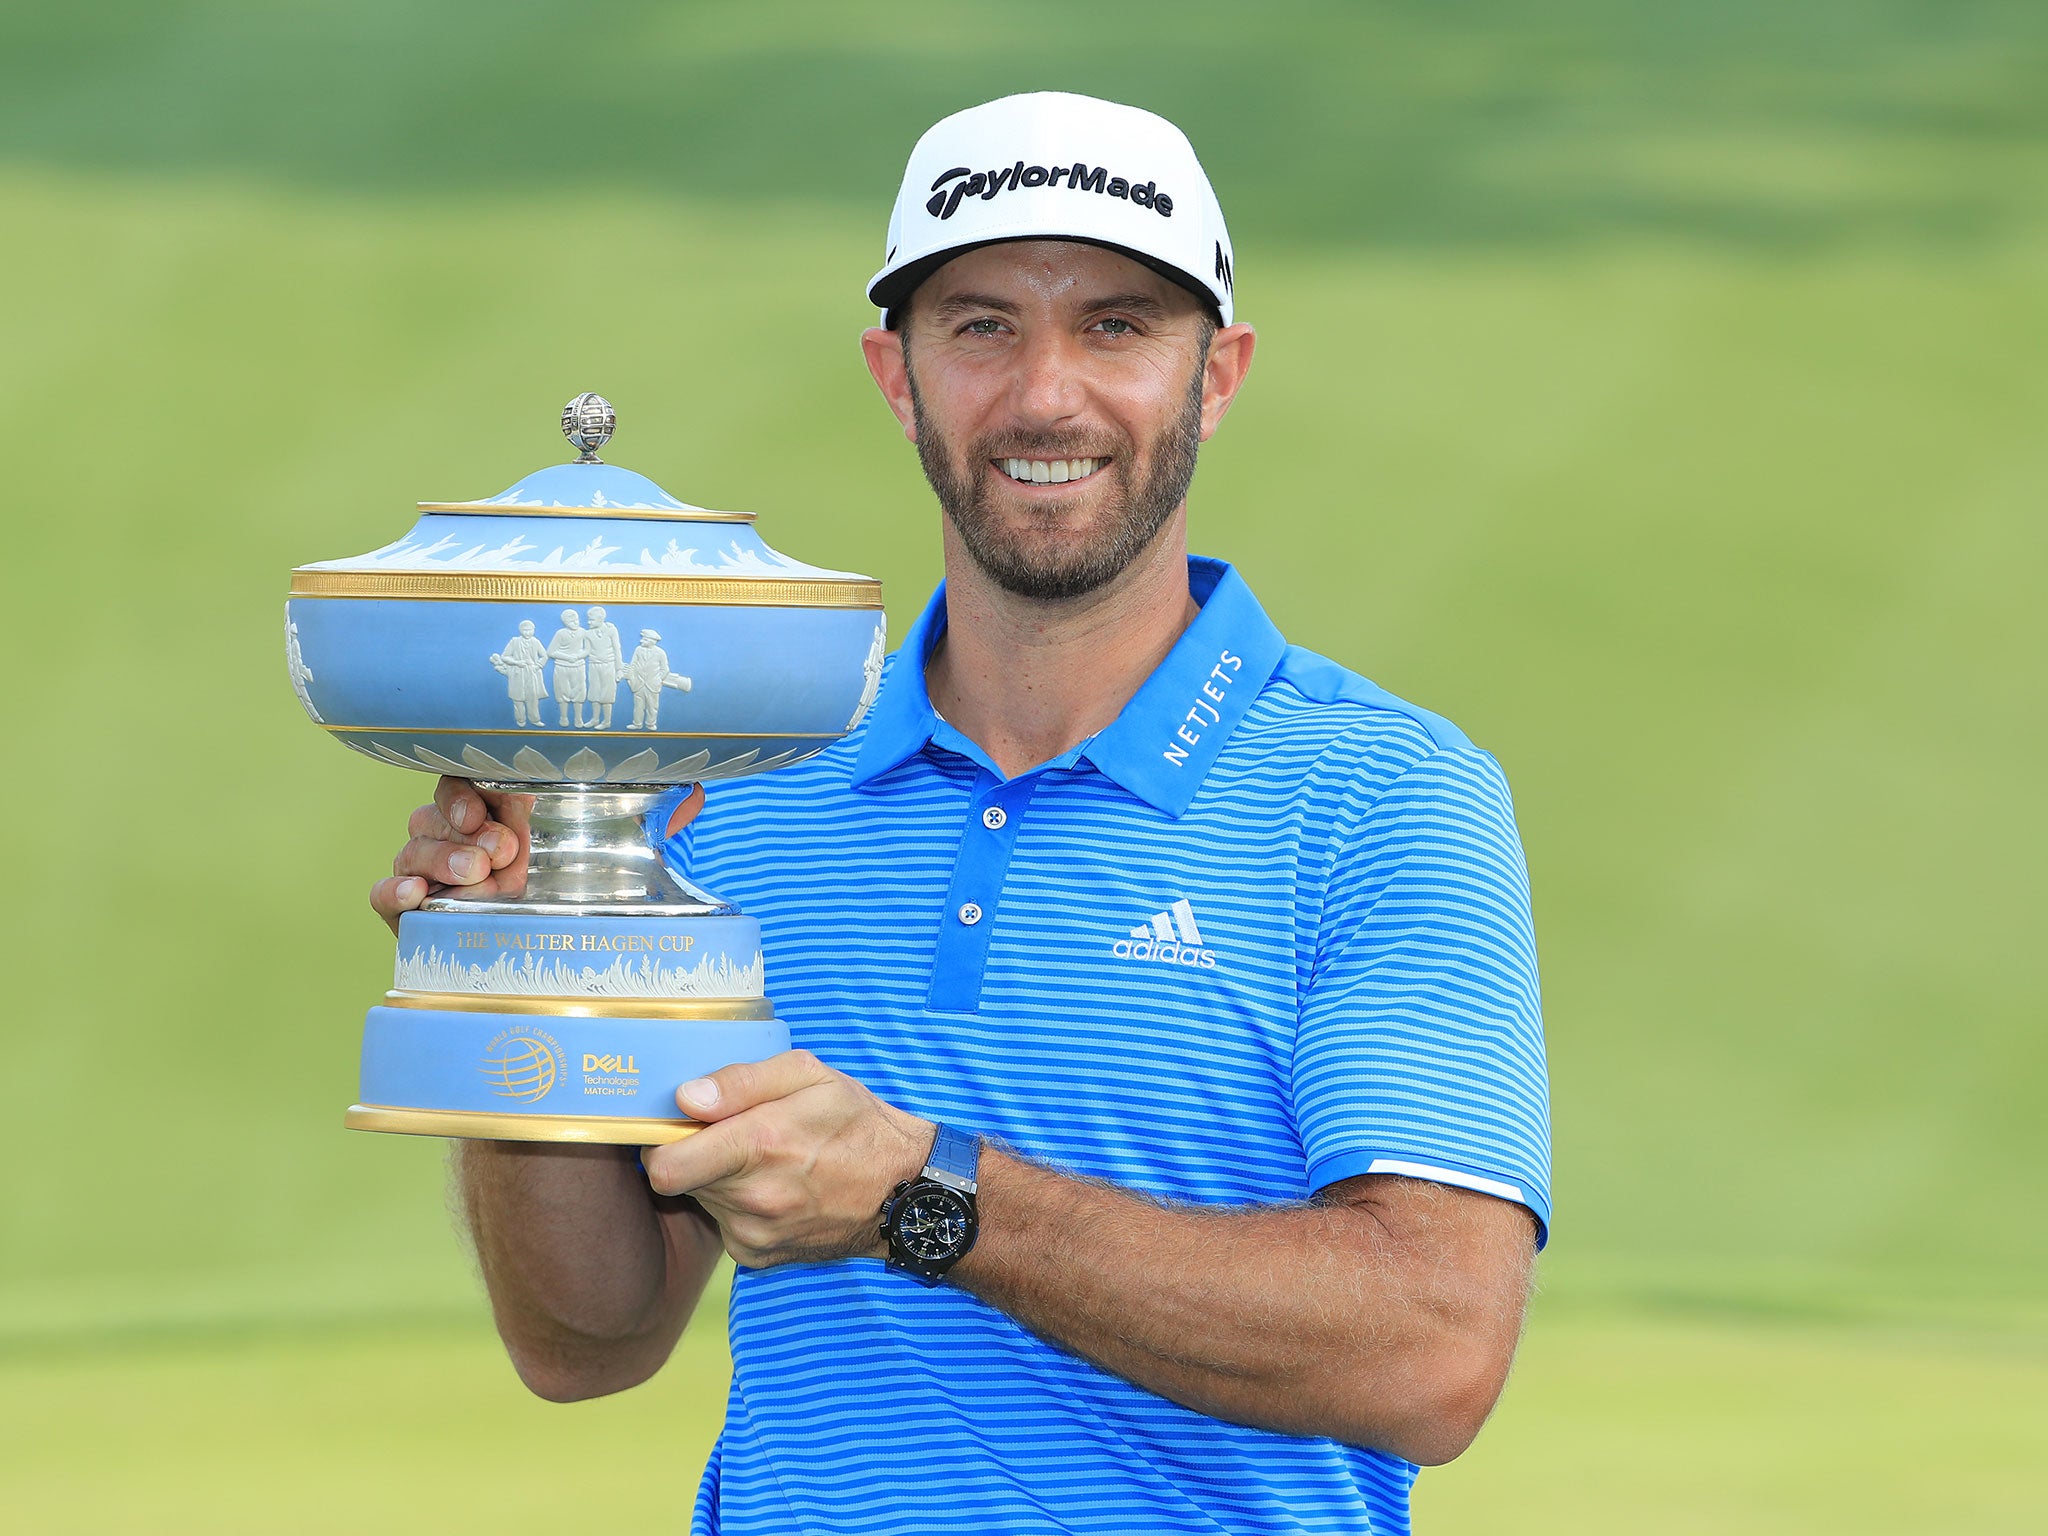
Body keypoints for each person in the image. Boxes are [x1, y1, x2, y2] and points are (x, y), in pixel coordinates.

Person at [374, 91, 1551, 1536]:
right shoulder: (733, 781)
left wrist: (923, 1192)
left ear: (1218, 372)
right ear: (897, 372)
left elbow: (1432, 1351)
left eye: (1117, 326)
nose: (1046, 394)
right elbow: (588, 1341)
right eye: (982, 325)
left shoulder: (1384, 797)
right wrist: (521, 970)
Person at [627, 628, 691, 730]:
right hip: (639, 684)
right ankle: (637, 724)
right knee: (638, 706)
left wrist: (658, 680)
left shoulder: (660, 652)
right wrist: (632, 679)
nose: (641, 641)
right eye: (642, 639)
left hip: (652, 685)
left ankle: (650, 724)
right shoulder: (638, 650)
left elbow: (665, 669)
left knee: (652, 707)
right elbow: (633, 665)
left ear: (652, 641)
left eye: (645, 639)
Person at [489, 618, 549, 727]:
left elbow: (544, 656)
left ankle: (535, 719)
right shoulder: (514, 641)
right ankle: (520, 720)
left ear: (533, 630)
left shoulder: (535, 642)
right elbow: (504, 657)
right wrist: (517, 662)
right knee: (517, 699)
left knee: (532, 698)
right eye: (525, 630)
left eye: (530, 630)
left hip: (532, 673)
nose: (528, 632)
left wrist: (537, 666)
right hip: (517, 673)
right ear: (520, 630)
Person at [544, 608, 589, 728]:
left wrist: (578, 656)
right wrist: (567, 657)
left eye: (577, 620)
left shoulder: (583, 632)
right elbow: (551, 651)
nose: (575, 622)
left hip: (578, 666)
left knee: (579, 692)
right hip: (562, 667)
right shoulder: (560, 633)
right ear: (565, 623)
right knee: (562, 692)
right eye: (571, 621)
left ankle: (578, 718)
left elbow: (588, 650)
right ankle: (563, 717)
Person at [585, 605, 626, 729]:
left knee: (607, 694)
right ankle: (595, 719)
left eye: (591, 619)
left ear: (601, 619)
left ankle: (607, 721)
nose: (588, 622)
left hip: (608, 665)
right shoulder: (587, 633)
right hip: (593, 665)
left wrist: (619, 669)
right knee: (594, 692)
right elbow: (586, 651)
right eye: (588, 619)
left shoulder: (611, 630)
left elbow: (616, 649)